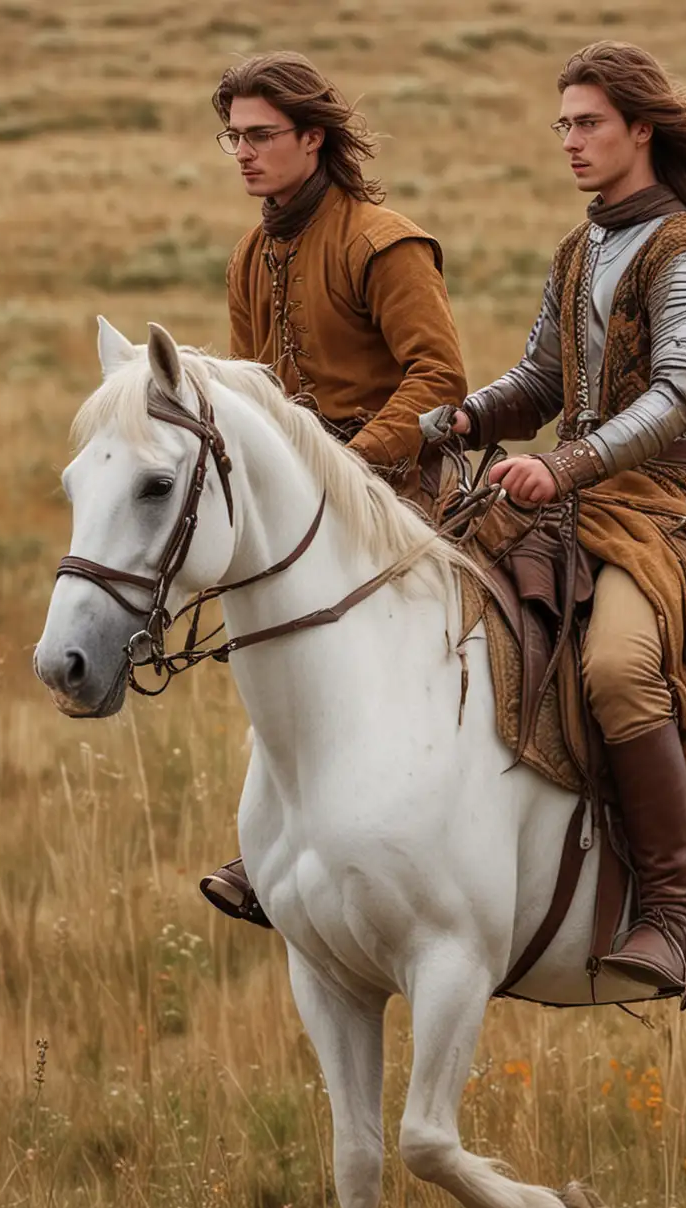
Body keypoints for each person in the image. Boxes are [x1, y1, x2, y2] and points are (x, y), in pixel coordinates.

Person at [448, 41, 686, 1006]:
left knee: (614, 665)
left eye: (589, 123)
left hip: (666, 510)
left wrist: (565, 460)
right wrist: (468, 418)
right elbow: (542, 380)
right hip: (569, 495)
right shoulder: (579, 250)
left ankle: (672, 909)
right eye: (562, 124)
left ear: (641, 129)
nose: (570, 142)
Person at [200, 52, 468, 930]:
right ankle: (280, 845)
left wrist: (350, 464)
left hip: (403, 497)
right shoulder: (250, 252)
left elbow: (440, 378)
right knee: (272, 649)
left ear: (313, 138)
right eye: (233, 137)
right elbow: (252, 391)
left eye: (261, 136)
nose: (243, 153)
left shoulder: (383, 241)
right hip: (305, 511)